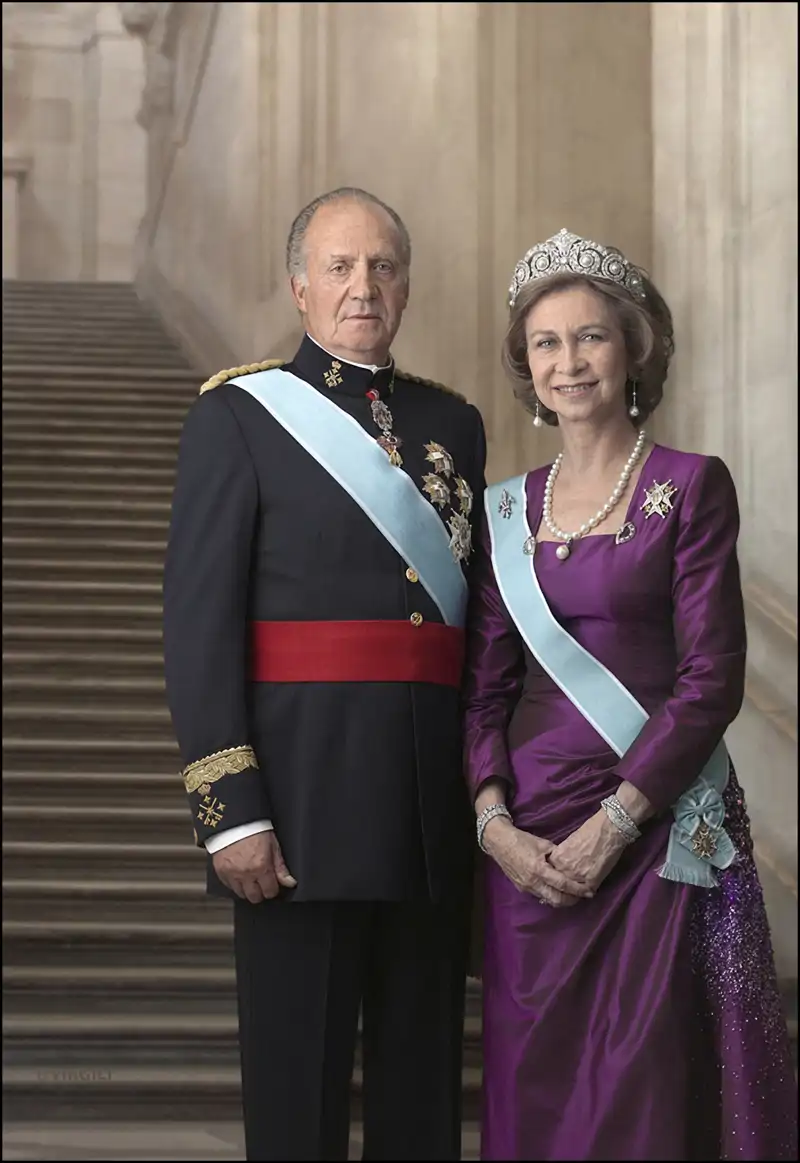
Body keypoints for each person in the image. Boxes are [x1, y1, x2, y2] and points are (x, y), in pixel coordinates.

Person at [163, 187, 486, 1161]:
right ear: (298, 285)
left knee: (420, 1105)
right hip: (299, 817)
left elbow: (471, 630)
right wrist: (232, 812)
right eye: (340, 267)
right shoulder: (238, 415)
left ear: (406, 287)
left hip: (426, 815)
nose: (363, 286)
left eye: (382, 267)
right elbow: (199, 625)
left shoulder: (453, 423)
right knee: (295, 1105)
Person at [463, 228, 798, 1161]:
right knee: (534, 1086)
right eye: (546, 343)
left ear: (632, 351)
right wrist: (494, 824)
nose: (568, 362)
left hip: (651, 832)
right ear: (527, 366)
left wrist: (617, 820)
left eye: (590, 337)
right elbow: (483, 692)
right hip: (531, 846)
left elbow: (712, 677)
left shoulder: (689, 487)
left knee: (643, 1085)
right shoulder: (504, 509)